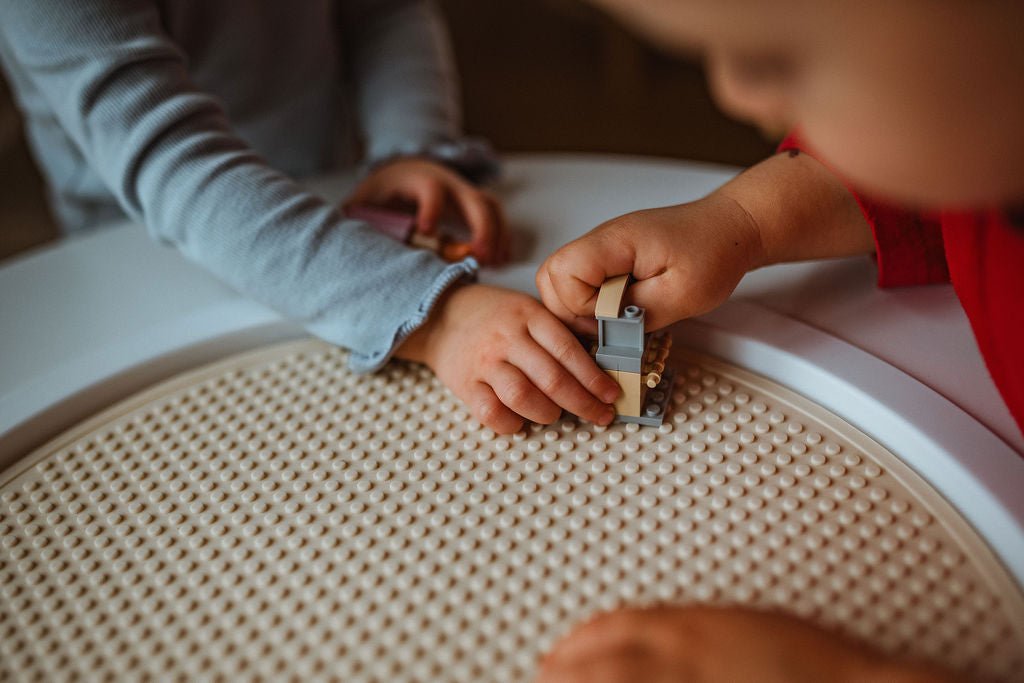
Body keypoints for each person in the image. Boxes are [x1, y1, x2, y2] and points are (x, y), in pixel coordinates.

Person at [535, 0, 1022, 680]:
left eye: (774, 55)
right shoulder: (979, 131)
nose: (733, 94)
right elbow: (924, 172)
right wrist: (741, 224)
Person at [0, 0, 621, 434]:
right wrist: (437, 316)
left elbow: (383, 13)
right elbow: (173, 165)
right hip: (138, 250)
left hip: (330, 193)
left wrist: (410, 147)